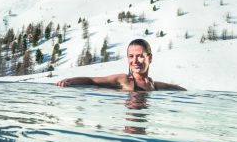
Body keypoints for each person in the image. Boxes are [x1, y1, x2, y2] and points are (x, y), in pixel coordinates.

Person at [56, 38, 186, 91]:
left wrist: (185, 91)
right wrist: (70, 80)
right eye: (131, 56)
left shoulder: (153, 84)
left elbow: (172, 87)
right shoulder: (125, 80)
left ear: (149, 58)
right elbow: (92, 80)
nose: (134, 61)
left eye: (140, 56)